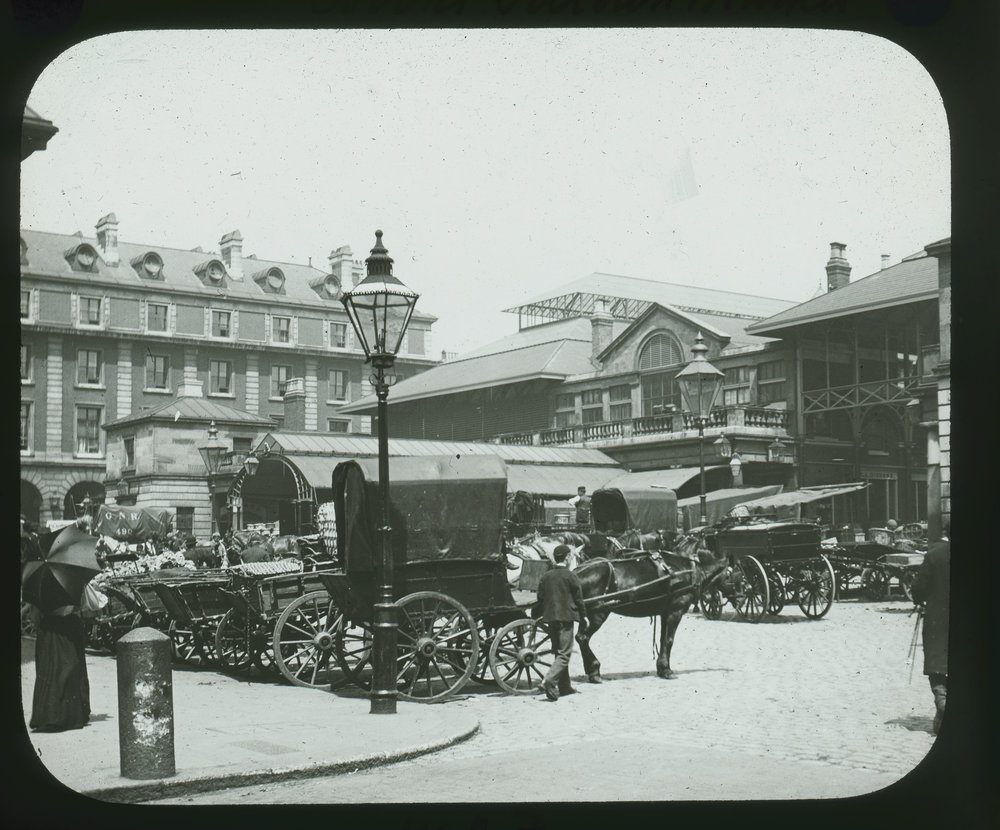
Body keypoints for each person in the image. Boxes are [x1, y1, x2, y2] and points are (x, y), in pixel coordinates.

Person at [28, 599, 91, 733]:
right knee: (72, 669)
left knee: (50, 670)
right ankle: (74, 714)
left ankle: (51, 715)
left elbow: (34, 617)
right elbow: (85, 607)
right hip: (70, 627)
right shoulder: (73, 583)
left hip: (49, 628)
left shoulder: (40, 587)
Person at [535, 544, 588, 701]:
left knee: (558, 652)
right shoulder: (571, 576)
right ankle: (548, 681)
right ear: (566, 558)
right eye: (570, 556)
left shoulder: (546, 576)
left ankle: (565, 687)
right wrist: (583, 616)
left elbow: (540, 597)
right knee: (565, 654)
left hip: (551, 618)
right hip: (566, 619)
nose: (571, 558)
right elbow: (579, 599)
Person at [910, 526, 949, 735]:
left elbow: (918, 587)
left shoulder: (934, 554)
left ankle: (943, 703)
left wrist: (919, 599)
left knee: (937, 662)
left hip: (938, 620)